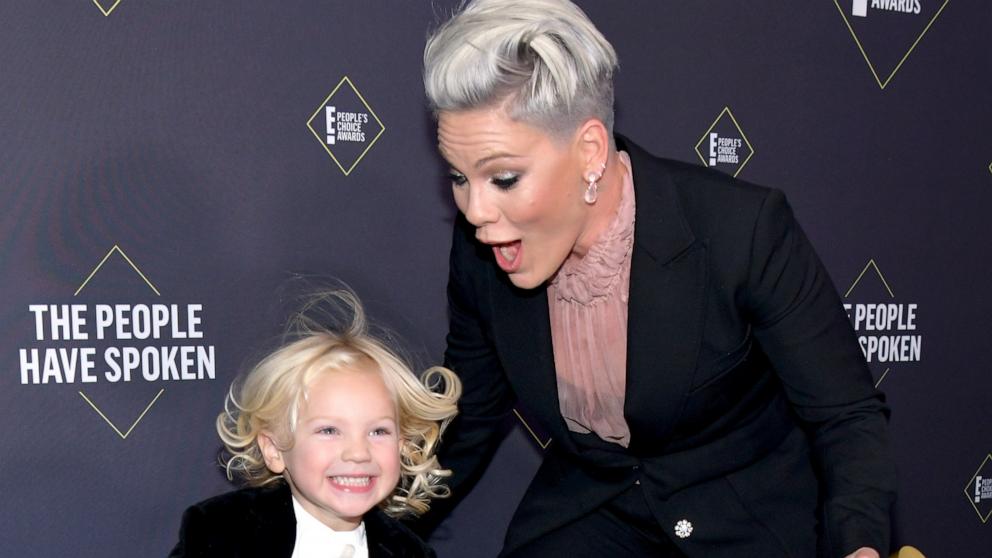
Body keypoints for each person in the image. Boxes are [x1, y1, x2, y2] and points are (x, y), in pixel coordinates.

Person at [419, 1, 896, 557]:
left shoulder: (740, 230)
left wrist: (860, 545)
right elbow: (469, 418)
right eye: (458, 177)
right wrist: (361, 526)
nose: (475, 211)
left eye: (503, 178)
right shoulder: (484, 248)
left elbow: (846, 415)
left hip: (741, 519)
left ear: (590, 152)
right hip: (590, 515)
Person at [169, 290, 461, 558]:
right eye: (329, 431)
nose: (358, 452)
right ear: (273, 449)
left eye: (378, 431)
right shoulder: (221, 533)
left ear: (403, 445)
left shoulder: (410, 553)